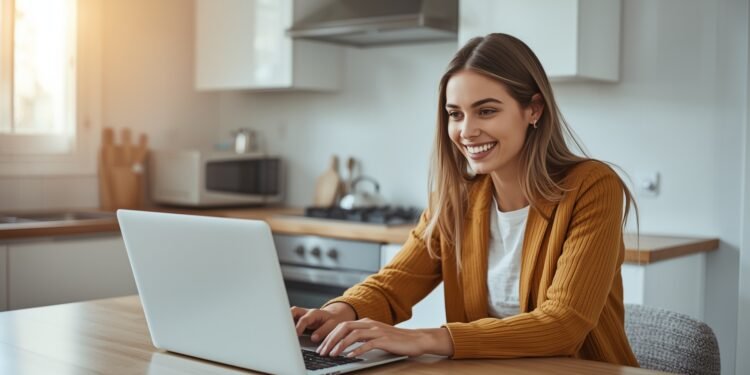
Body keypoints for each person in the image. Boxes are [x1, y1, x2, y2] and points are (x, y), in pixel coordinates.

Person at [291, 33, 640, 367]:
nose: (466, 130)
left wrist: (424, 339)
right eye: (455, 114)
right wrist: (340, 311)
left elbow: (562, 324)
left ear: (533, 109)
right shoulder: (458, 198)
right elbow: (393, 285)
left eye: (486, 111)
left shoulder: (592, 188)